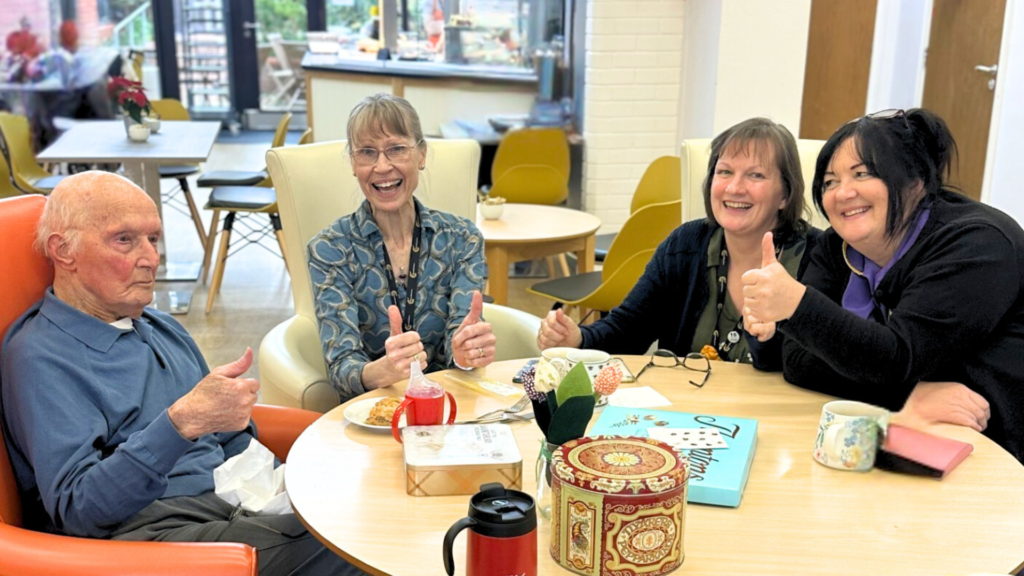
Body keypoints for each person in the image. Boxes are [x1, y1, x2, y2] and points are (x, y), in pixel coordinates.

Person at [0, 171, 364, 575]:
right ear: (63, 251)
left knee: (374, 505)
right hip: (148, 539)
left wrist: (283, 485)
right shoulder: (40, 356)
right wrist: (179, 424)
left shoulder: (159, 326)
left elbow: (229, 440)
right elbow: (80, 510)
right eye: (125, 240)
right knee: (362, 546)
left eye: (153, 239)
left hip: (228, 504)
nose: (151, 258)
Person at [741, 108, 1024, 461]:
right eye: (829, 182)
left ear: (915, 180)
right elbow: (798, 360)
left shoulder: (978, 244)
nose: (843, 193)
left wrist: (797, 306)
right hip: (900, 435)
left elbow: (896, 357)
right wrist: (910, 396)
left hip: (996, 449)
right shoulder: (836, 247)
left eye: (862, 174)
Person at [537, 118, 820, 370]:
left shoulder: (817, 256)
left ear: (785, 194)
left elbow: (817, 370)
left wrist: (770, 339)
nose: (734, 187)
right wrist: (579, 338)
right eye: (724, 172)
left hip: (777, 420)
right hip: (683, 417)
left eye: (755, 175)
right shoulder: (685, 244)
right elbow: (629, 330)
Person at [308, 93, 495, 402]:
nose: (382, 166)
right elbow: (341, 364)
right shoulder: (330, 249)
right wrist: (382, 370)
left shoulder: (462, 238)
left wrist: (464, 354)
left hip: (449, 406)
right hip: (370, 413)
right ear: (354, 163)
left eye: (396, 149)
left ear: (421, 155)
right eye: (367, 152)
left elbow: (459, 337)